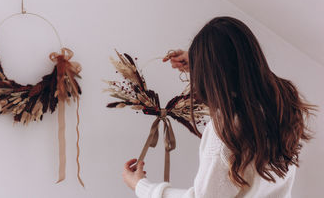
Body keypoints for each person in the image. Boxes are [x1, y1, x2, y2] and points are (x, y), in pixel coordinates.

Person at [122, 16, 314, 198]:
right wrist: (201, 60)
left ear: (212, 72)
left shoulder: (228, 127)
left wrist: (142, 186)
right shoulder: (283, 100)